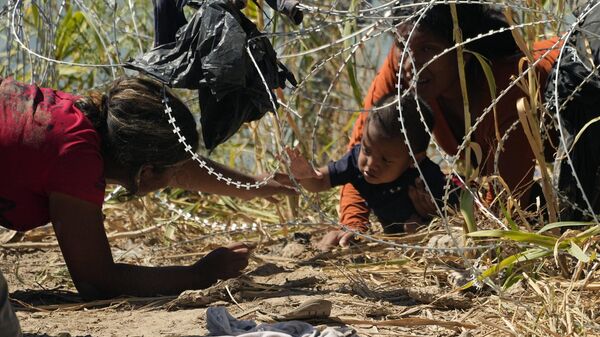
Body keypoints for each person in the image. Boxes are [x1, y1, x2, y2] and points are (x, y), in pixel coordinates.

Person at [0, 76, 296, 305]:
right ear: (146, 172)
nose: (180, 175)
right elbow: (97, 283)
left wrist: (251, 186)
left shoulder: (86, 120)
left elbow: (182, 168)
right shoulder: (74, 158)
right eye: (174, 170)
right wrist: (201, 273)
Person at [317, 3, 561, 250]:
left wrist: (448, 218)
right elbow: (365, 151)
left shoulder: (509, 87)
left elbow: (507, 207)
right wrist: (353, 224)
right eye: (402, 46)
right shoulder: (404, 64)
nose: (413, 62)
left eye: (428, 49)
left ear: (463, 52)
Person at [285, 94, 452, 234]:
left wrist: (431, 219)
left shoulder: (425, 177)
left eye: (386, 160)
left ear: (414, 160)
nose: (370, 164)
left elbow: (451, 213)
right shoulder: (355, 161)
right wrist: (306, 176)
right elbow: (320, 181)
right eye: (367, 149)